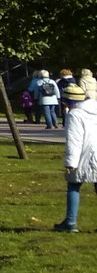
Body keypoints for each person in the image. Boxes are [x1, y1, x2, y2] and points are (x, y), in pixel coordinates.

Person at [54, 83, 97, 232]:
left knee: (73, 185)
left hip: (85, 155)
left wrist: (70, 162)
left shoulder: (75, 114)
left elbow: (74, 139)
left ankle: (70, 222)